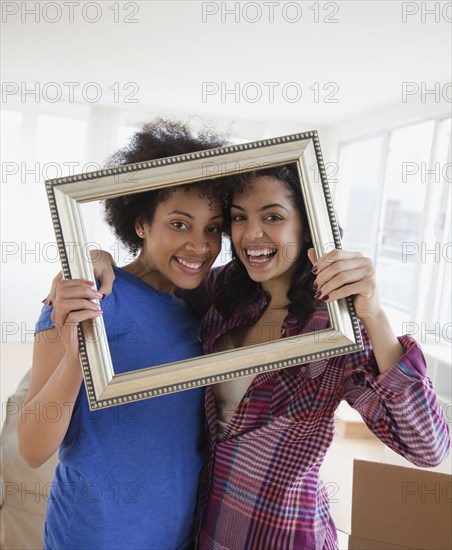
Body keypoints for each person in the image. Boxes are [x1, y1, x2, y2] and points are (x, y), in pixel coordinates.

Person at [46, 152, 450, 548]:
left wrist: (375, 314)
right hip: (205, 527)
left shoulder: (336, 327)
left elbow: (428, 446)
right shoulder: (223, 293)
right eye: (239, 218)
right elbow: (159, 274)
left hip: (282, 533)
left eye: (272, 217)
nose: (251, 234)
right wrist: (93, 260)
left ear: (307, 227)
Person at [17, 119, 230, 550]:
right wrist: (83, 352)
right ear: (140, 224)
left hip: (175, 536)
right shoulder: (85, 296)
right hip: (93, 535)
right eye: (180, 224)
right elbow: (32, 447)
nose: (200, 246)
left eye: (213, 228)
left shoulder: (203, 310)